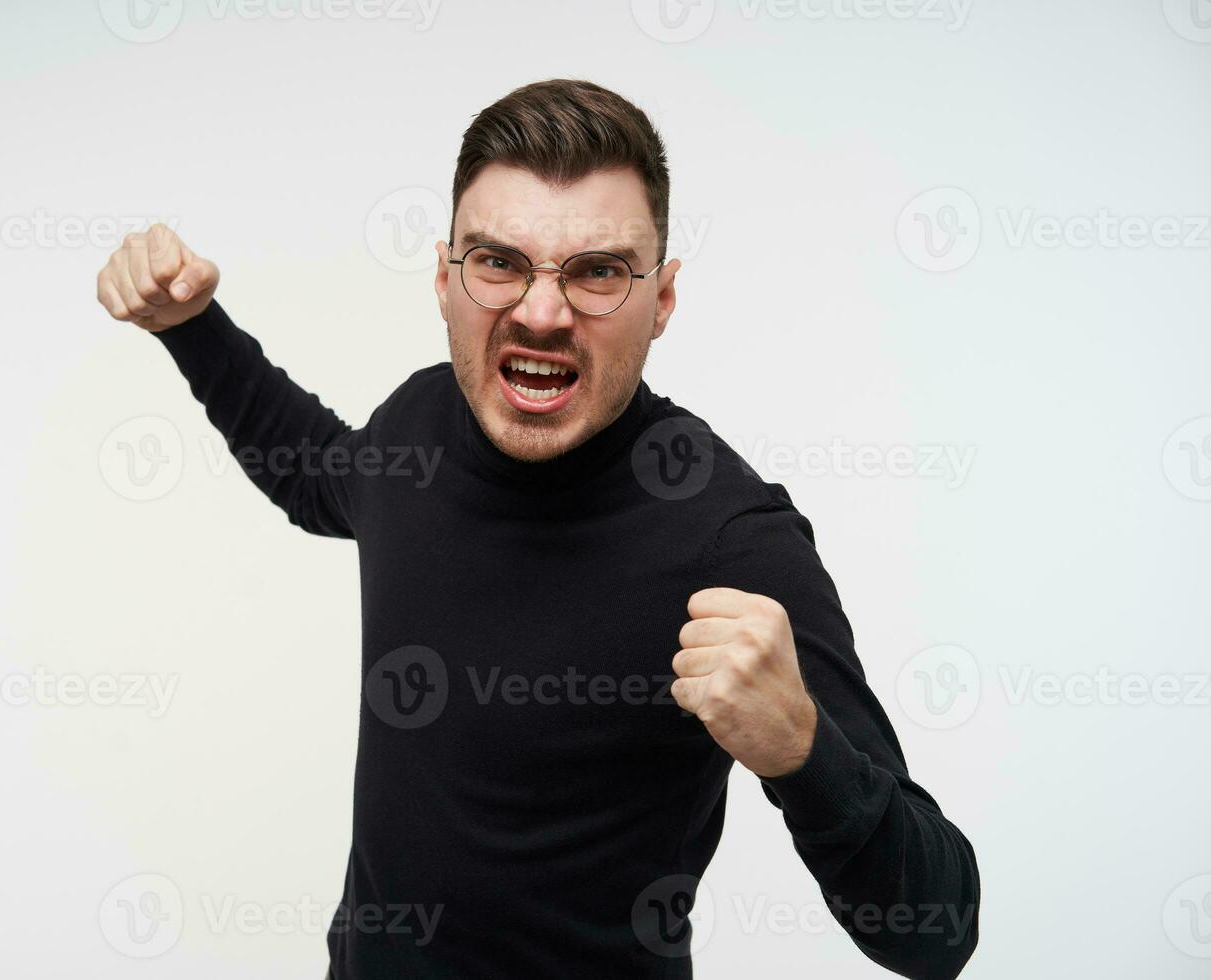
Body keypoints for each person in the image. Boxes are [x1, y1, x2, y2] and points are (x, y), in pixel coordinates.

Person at [94, 78, 980, 980]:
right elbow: (319, 475)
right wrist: (192, 327)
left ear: (663, 299)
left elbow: (938, 929)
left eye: (598, 271)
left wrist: (805, 751)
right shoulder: (421, 426)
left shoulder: (731, 539)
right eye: (499, 262)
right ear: (446, 278)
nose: (542, 312)